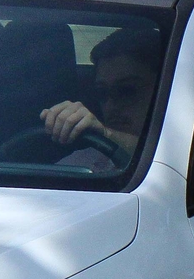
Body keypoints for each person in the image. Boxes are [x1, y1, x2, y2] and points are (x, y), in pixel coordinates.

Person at [39, 25, 161, 172]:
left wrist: (107, 134)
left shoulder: (188, 157)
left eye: (127, 91)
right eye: (102, 93)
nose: (110, 106)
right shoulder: (79, 164)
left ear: (162, 90)